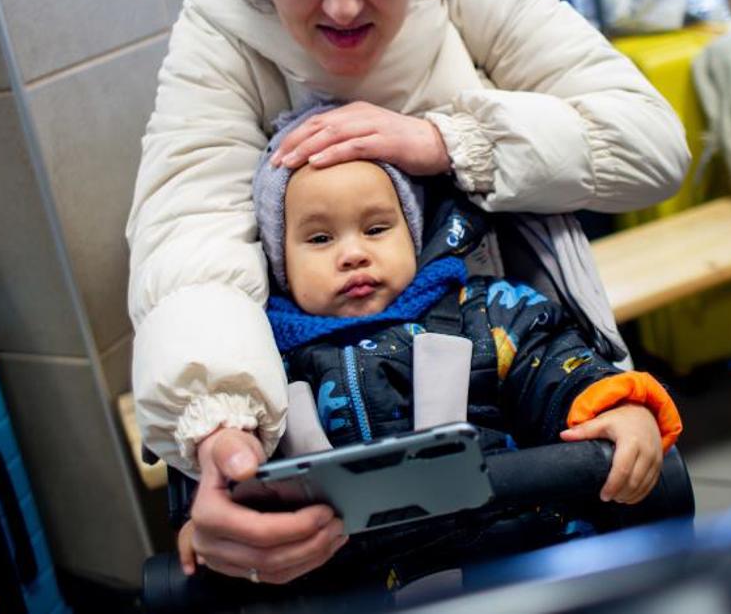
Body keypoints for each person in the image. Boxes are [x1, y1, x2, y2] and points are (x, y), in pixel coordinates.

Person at [126, 0, 689, 586]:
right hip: (324, 406)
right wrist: (218, 426)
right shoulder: (219, 37)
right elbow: (189, 241)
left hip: (517, 371)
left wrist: (444, 142)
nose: (343, 5)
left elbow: (651, 143)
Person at [173, 104, 683, 586]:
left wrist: (620, 406)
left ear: (413, 233)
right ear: (281, 262)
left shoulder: (484, 313)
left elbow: (554, 362)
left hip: (520, 558)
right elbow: (234, 459)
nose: (353, 254)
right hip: (355, 586)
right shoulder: (262, 362)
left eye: (376, 228)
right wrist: (217, 524)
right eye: (320, 239)